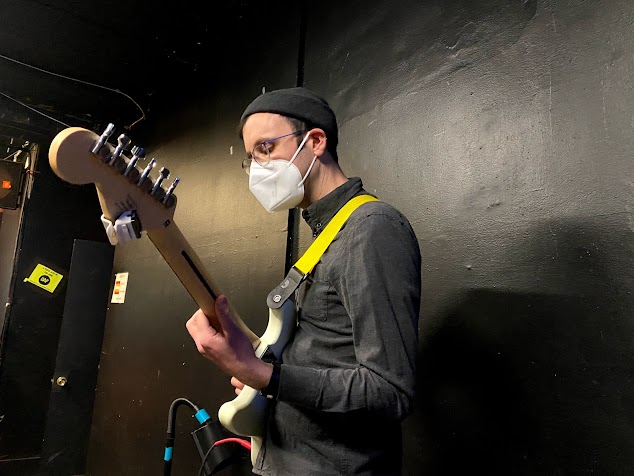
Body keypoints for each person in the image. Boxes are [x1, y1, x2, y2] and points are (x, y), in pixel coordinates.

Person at [186, 87, 421, 475]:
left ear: (315, 141)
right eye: (250, 158)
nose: (258, 168)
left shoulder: (372, 229)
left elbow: (390, 391)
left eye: (266, 148)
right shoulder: (328, 234)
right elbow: (323, 357)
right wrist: (257, 362)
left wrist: (263, 376)